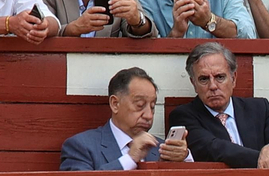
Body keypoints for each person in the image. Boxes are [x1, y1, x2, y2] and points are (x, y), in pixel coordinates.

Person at [169, 41, 269, 169]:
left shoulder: (259, 108)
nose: (213, 86)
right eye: (204, 79)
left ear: (233, 79)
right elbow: (215, 149)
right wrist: (267, 160)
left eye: (220, 77)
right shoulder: (183, 116)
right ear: (193, 83)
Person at [61, 67, 192, 170]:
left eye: (152, 107)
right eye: (140, 105)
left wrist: (185, 157)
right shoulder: (81, 146)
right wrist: (130, 159)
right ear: (115, 104)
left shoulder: (162, 149)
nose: (149, 115)